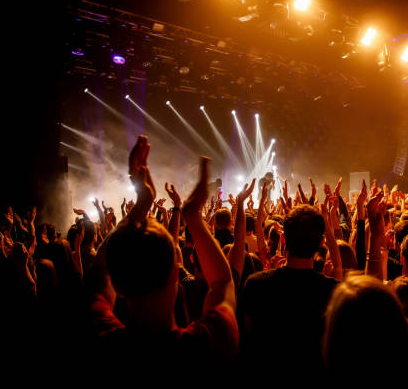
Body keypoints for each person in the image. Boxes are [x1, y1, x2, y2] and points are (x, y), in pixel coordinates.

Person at [88, 136, 238, 370]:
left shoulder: (100, 338)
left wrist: (141, 204)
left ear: (118, 285)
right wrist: (192, 216)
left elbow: (98, 274)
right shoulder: (207, 345)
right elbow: (223, 282)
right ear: (175, 275)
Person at [237, 203, 339, 375]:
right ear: (322, 242)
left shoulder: (256, 285)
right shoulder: (335, 293)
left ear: (283, 239)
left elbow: (246, 339)